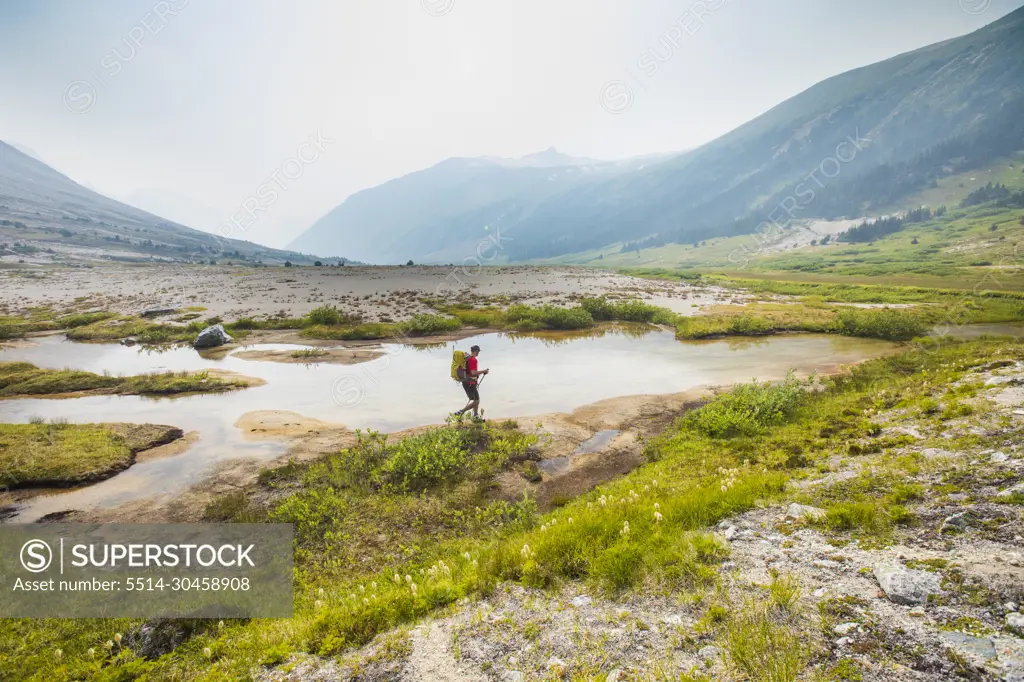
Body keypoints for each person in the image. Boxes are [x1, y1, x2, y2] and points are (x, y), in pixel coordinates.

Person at [455, 345, 489, 420]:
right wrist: (484, 371)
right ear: (476, 351)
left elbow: (470, 372)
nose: (478, 353)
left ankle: (476, 415)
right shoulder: (473, 360)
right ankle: (461, 411)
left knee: (475, 399)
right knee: (476, 401)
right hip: (470, 383)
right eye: (478, 351)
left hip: (466, 382)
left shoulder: (467, 359)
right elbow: (473, 373)